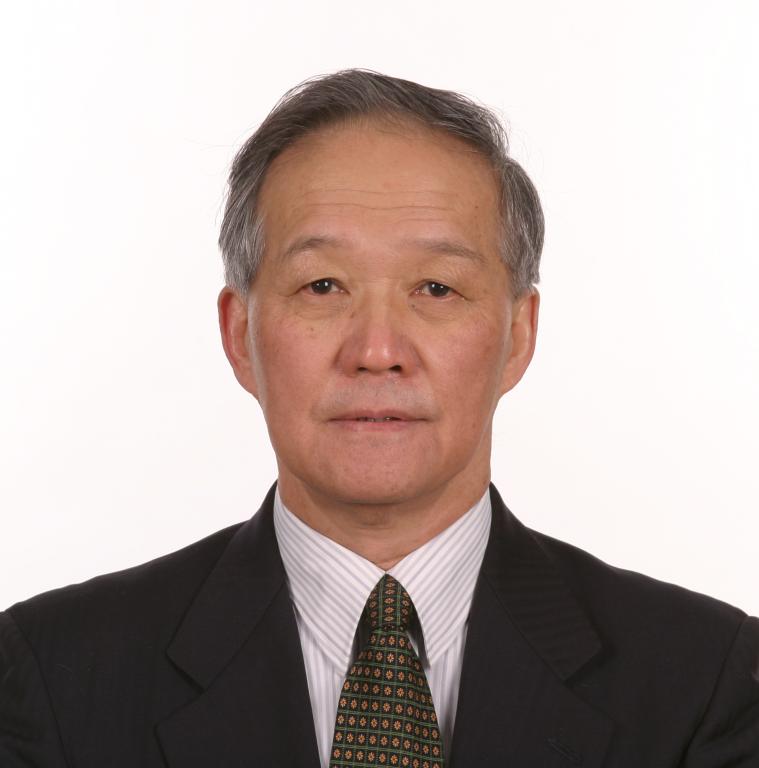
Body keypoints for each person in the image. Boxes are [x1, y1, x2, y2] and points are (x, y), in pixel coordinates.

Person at [1, 69, 757, 768]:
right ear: (239, 334)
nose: (377, 352)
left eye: (436, 288)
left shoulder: (705, 679)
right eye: (322, 285)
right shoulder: (53, 673)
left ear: (517, 336)